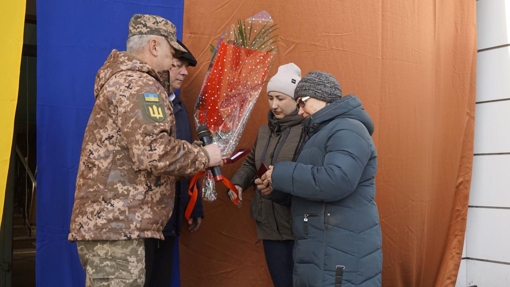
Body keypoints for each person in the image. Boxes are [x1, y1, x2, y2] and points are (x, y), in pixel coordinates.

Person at [68, 14, 223, 287]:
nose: (173, 59)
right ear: (154, 46)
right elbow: (154, 152)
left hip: (116, 227)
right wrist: (204, 156)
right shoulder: (139, 84)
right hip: (120, 229)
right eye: (171, 51)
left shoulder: (123, 81)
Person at [256, 71, 382, 286]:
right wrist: (277, 190)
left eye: (302, 103)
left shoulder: (347, 128)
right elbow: (315, 191)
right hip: (323, 248)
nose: (300, 111)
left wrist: (281, 173)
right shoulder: (323, 132)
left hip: (341, 251)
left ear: (321, 96)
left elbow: (337, 180)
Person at [228, 63, 303, 287]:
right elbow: (253, 162)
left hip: (296, 224)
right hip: (269, 223)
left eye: (281, 98)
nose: (274, 105)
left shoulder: (308, 130)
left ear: (296, 99)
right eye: (270, 98)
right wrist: (238, 183)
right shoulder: (265, 130)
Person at [144, 40, 202, 287]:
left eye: (185, 67)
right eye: (177, 65)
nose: (184, 72)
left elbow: (185, 159)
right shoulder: (143, 101)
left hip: (169, 222)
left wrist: (193, 205)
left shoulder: (179, 107)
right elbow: (158, 156)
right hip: (142, 223)